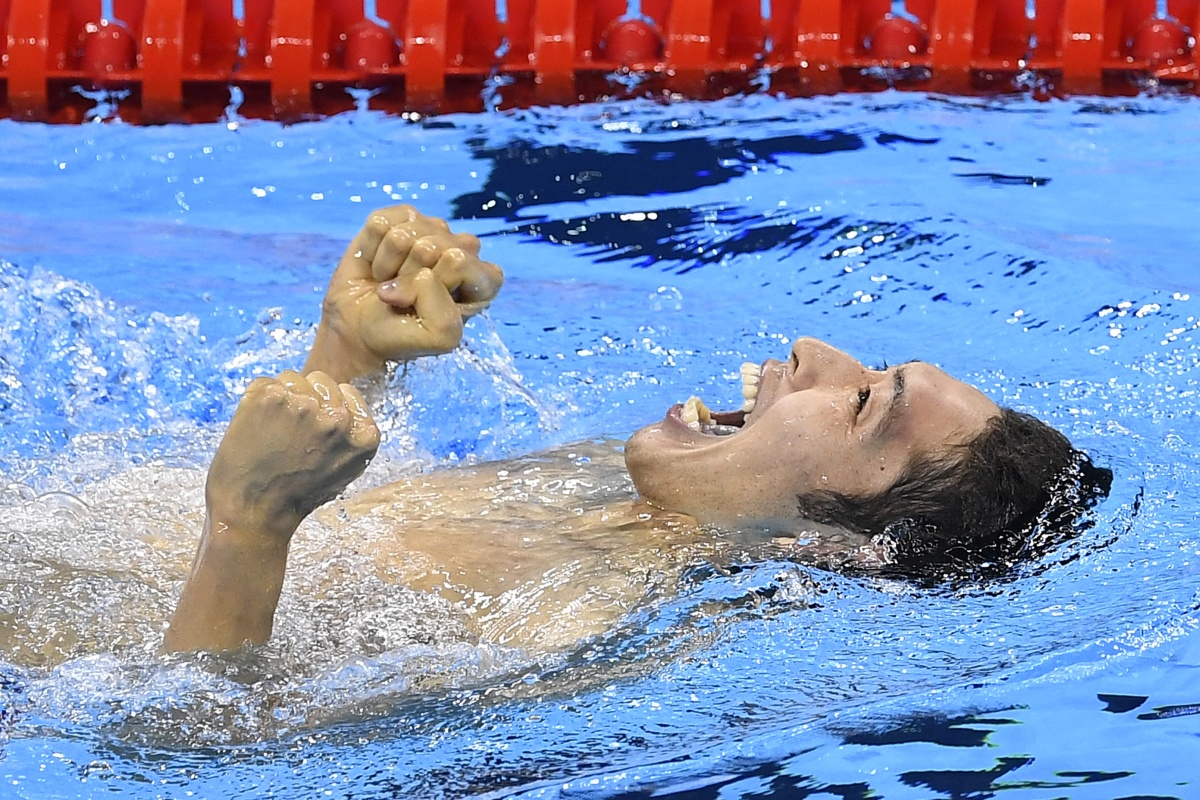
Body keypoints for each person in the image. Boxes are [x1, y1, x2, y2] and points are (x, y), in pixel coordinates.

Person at [162, 205, 1110, 654]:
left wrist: (248, 526)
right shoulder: (604, 485)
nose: (815, 350)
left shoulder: (578, 631)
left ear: (838, 545)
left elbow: (199, 746)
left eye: (864, 401)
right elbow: (335, 523)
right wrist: (352, 363)